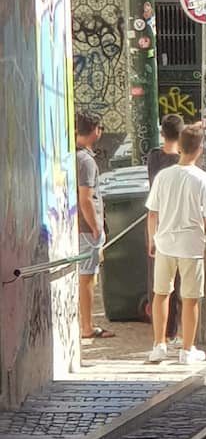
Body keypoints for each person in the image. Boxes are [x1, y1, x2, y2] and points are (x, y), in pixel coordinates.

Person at [146, 124, 206, 365]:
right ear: (199, 149)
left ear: (179, 145)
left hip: (165, 242)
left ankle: (159, 344)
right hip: (191, 244)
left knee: (161, 294)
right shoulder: (203, 180)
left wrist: (152, 239)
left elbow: (152, 213)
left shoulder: (163, 176)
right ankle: (187, 349)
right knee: (190, 298)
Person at [75, 111, 115, 339]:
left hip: (80, 226)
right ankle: (87, 326)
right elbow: (86, 197)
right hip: (86, 228)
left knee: (87, 275)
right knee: (87, 276)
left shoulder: (74, 155)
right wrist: (96, 226)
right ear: (96, 130)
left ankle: (85, 322)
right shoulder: (86, 161)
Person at [146, 114, 184, 339]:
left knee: (159, 286)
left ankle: (162, 333)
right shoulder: (179, 164)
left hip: (156, 226)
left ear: (162, 134)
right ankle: (176, 331)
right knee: (179, 286)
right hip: (177, 227)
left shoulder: (153, 158)